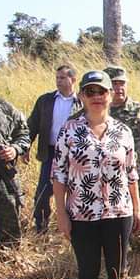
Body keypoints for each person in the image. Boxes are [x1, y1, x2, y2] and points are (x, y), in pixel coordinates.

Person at [52, 70, 140, 279]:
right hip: (82, 215)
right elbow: (58, 175)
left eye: (100, 92)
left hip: (119, 213)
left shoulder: (123, 131)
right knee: (89, 273)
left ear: (110, 95)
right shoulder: (70, 130)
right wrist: (62, 214)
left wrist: (137, 210)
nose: (96, 97)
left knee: (119, 273)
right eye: (89, 92)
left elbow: (131, 174)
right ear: (81, 97)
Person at [103, 65, 140, 265]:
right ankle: (115, 265)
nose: (119, 88)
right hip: (106, 179)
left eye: (122, 83)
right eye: (114, 84)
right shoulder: (97, 111)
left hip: (137, 177)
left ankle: (138, 267)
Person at [26, 65, 82, 233]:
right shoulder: (46, 100)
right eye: (57, 77)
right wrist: (25, 146)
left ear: (73, 80)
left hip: (75, 154)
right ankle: (41, 228)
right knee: (43, 192)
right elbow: (32, 124)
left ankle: (73, 229)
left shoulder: (81, 101)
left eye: (62, 78)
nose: (58, 81)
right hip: (51, 153)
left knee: (76, 192)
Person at [0, 72, 30, 248]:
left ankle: (8, 271)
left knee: (10, 236)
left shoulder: (6, 108)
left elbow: (24, 135)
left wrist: (14, 150)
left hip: (4, 180)